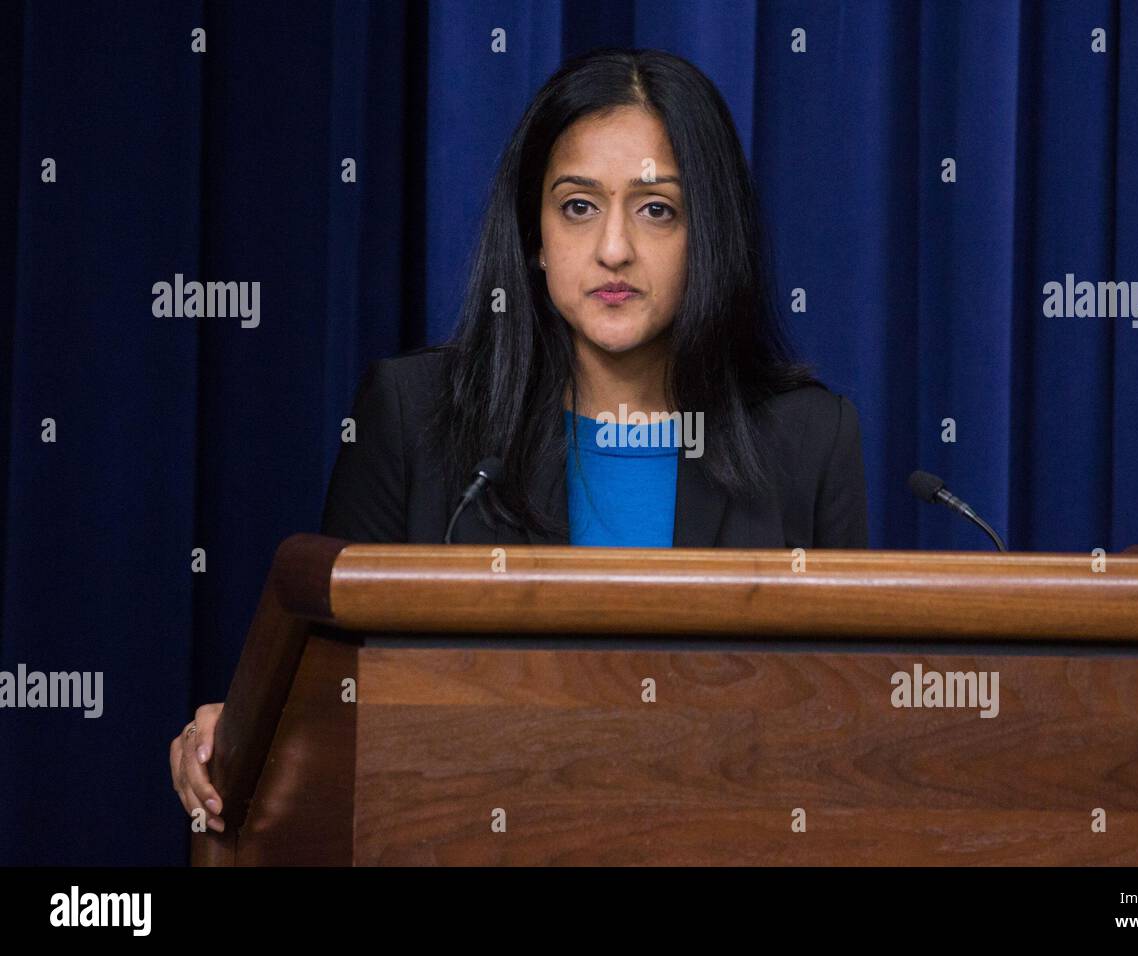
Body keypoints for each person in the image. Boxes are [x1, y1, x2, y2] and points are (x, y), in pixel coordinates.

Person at [170, 47, 868, 834]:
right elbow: (330, 697)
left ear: (710, 235)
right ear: (533, 235)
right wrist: (240, 729)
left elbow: (847, 726)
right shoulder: (414, 416)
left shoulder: (807, 440)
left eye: (657, 209)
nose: (613, 249)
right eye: (577, 206)